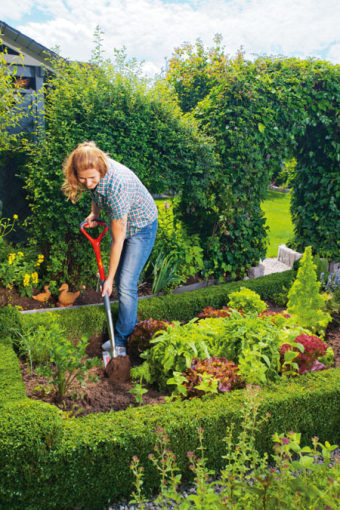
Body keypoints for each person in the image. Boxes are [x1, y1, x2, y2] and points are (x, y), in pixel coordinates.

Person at [62, 141, 158, 356]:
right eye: (82, 178)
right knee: (122, 281)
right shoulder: (94, 170)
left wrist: (109, 279)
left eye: (92, 178)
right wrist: (95, 213)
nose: (87, 184)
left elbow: (118, 239)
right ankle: (121, 338)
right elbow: (96, 192)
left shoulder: (116, 187)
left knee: (125, 284)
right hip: (126, 224)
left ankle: (122, 342)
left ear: (102, 170)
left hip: (142, 226)